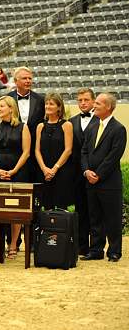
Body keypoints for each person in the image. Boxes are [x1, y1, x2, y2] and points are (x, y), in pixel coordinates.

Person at [81, 93, 127, 262]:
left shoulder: (119, 129)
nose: (94, 104)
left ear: (108, 107)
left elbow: (114, 156)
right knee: (95, 217)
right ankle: (96, 250)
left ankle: (114, 251)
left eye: (98, 103)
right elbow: (84, 151)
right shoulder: (93, 127)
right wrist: (86, 171)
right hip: (90, 180)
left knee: (112, 217)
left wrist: (98, 174)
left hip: (109, 182)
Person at [0, 95, 31, 259]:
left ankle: (13, 244)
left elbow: (26, 152)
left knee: (16, 209)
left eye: (2, 106)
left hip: (18, 172)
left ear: (11, 109)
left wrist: (13, 170)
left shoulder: (23, 127)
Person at [0, 66, 44, 182]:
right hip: (10, 154)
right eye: (24, 78)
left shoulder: (40, 100)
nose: (28, 81)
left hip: (33, 154)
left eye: (30, 78)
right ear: (16, 81)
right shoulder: (4, 99)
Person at [69, 88, 98, 255]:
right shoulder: (71, 122)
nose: (83, 103)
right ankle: (81, 246)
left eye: (86, 100)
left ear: (93, 101)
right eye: (80, 100)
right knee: (80, 210)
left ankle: (95, 247)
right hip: (76, 174)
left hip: (94, 173)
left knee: (94, 212)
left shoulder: (101, 121)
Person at [34, 93, 74, 210]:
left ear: (59, 107)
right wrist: (44, 169)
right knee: (46, 205)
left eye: (51, 104)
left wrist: (54, 169)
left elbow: (68, 150)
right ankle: (46, 228)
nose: (47, 106)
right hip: (44, 171)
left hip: (61, 171)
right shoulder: (40, 126)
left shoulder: (67, 125)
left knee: (61, 206)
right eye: (46, 104)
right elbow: (37, 150)